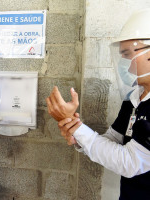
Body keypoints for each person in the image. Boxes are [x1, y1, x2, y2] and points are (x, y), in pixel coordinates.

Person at [46, 9, 150, 199]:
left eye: (128, 53)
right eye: (122, 55)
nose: (124, 62)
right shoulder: (134, 98)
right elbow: (112, 140)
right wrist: (76, 133)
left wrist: (77, 128)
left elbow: (130, 162)